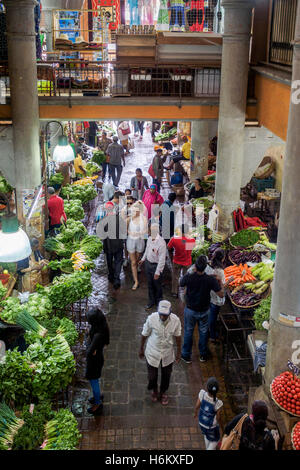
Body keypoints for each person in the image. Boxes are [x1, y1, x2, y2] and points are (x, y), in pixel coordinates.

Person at [180, 255, 224, 363]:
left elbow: (181, 283)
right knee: (203, 333)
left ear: (195, 266)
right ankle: (203, 355)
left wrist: (191, 272)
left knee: (188, 332)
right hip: (204, 311)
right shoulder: (210, 280)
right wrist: (220, 282)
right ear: (205, 267)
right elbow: (221, 295)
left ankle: (186, 355)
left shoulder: (190, 277)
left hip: (190, 310)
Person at [139, 300, 181, 405]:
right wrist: (141, 348)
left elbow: (178, 337)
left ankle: (162, 392)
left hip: (167, 353)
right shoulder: (151, 319)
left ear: (170, 313)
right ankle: (154, 390)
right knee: (152, 376)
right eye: (161, 314)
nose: (162, 317)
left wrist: (179, 352)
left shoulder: (176, 321)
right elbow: (144, 334)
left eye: (165, 315)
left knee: (166, 375)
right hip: (153, 352)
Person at [85, 307, 110, 416]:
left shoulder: (98, 335)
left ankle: (97, 404)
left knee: (93, 380)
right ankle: (97, 396)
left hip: (94, 361)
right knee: (95, 379)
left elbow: (89, 351)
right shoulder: (102, 326)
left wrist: (87, 340)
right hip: (97, 357)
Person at [206, 249, 232, 343]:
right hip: (216, 296)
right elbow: (223, 286)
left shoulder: (210, 265)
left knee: (211, 314)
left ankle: (210, 332)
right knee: (212, 316)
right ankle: (212, 335)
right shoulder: (220, 271)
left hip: (210, 294)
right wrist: (230, 280)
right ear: (223, 258)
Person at [139, 223, 167, 310]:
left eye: (149, 230)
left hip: (156, 266)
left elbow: (162, 260)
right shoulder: (149, 239)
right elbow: (147, 250)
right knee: (150, 284)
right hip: (148, 264)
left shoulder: (161, 243)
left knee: (157, 286)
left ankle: (159, 302)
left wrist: (158, 272)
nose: (148, 231)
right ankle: (151, 301)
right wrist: (143, 259)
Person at [98, 201, 124, 290]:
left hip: (108, 245)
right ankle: (117, 279)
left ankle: (111, 276)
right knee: (118, 262)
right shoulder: (119, 218)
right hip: (118, 244)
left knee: (109, 262)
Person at [194, 377, 224, 451]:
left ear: (207, 388)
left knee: (206, 436)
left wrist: (195, 413)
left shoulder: (202, 394)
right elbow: (218, 418)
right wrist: (222, 428)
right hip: (210, 426)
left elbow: (197, 406)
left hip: (201, 422)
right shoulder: (218, 403)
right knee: (215, 440)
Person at [167, 224, 196, 298]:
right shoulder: (192, 240)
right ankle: (185, 292)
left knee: (175, 277)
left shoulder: (174, 239)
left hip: (177, 261)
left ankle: (174, 292)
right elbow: (190, 249)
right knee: (186, 277)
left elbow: (168, 247)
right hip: (187, 262)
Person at [126, 201, 148, 290]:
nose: (134, 213)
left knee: (138, 258)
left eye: (136, 211)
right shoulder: (129, 219)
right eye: (133, 211)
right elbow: (125, 230)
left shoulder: (144, 220)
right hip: (131, 241)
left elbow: (146, 234)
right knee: (133, 262)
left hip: (140, 241)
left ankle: (138, 266)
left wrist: (142, 233)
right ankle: (136, 281)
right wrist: (130, 232)